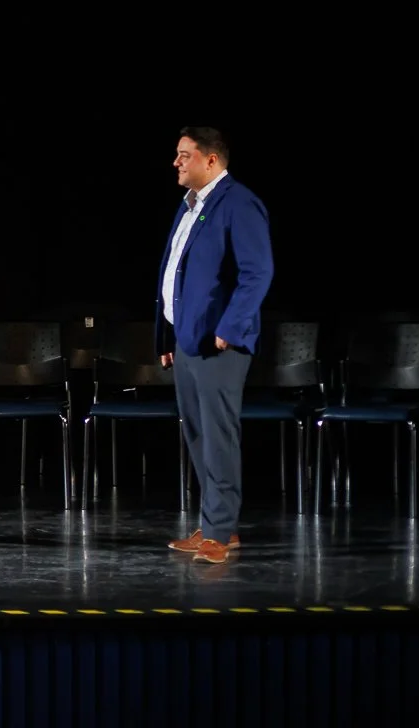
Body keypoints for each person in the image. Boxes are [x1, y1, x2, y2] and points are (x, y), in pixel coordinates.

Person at [156, 127, 273, 565]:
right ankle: (216, 525)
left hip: (219, 342)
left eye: (184, 155)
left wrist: (231, 326)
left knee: (218, 435)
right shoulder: (189, 207)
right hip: (187, 340)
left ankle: (220, 532)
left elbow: (257, 272)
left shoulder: (238, 203)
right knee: (199, 434)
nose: (176, 162)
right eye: (176, 154)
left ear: (211, 160)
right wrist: (166, 334)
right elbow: (177, 274)